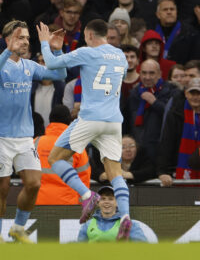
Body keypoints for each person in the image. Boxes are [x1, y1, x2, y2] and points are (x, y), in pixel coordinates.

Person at [37, 19, 132, 240]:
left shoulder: (87, 52)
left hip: (90, 118)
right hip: (114, 122)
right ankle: (126, 217)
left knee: (55, 158)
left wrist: (45, 43)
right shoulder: (120, 55)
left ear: (89, 35)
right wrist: (61, 48)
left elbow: (51, 64)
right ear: (106, 35)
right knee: (115, 173)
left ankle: (87, 195)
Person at [0, 20, 66, 243]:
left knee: (34, 183)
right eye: (21, 37)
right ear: (8, 38)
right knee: (2, 187)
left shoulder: (28, 66)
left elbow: (60, 74)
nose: (26, 42)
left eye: (28, 38)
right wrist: (7, 51)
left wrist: (56, 50)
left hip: (24, 137)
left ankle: (18, 228)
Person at [123, 59, 178, 161]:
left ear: (160, 74)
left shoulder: (172, 92)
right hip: (138, 153)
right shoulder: (134, 94)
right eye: (144, 73)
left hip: (161, 152)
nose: (147, 77)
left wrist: (155, 103)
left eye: (151, 73)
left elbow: (174, 118)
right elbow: (127, 124)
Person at [35, 105, 91, 205]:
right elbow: (84, 177)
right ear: (69, 120)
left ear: (50, 119)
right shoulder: (76, 145)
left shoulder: (35, 143)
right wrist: (80, 203)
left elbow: (26, 173)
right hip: (67, 204)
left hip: (37, 201)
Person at [157, 77, 200, 186]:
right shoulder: (176, 113)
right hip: (181, 167)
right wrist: (162, 171)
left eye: (198, 93)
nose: (195, 97)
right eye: (192, 93)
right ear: (186, 93)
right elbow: (167, 142)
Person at [78, 186, 153, 242]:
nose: (106, 202)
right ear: (98, 203)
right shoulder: (87, 225)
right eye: (103, 199)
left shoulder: (131, 225)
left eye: (111, 199)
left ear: (118, 203)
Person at [90, 135, 156, 184]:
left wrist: (129, 174)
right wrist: (103, 175)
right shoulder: (108, 160)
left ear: (137, 148)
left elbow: (151, 171)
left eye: (132, 146)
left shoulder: (143, 159)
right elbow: (94, 172)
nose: (128, 150)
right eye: (123, 147)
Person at [154, 0, 197, 65]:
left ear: (176, 12)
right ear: (158, 14)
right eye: (165, 9)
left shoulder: (189, 33)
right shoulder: (152, 32)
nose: (169, 12)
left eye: (172, 9)